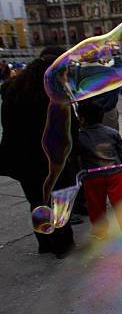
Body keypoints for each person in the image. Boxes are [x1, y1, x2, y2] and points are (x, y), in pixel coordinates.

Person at [0, 47, 78, 258]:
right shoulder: (55, 94)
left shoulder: (11, 89)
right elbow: (68, 129)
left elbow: (7, 125)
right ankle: (62, 245)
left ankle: (44, 242)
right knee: (59, 200)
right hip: (52, 157)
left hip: (23, 159)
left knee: (36, 200)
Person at [77, 101, 122, 240]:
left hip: (92, 177)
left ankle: (100, 232)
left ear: (81, 119)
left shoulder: (79, 137)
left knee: (96, 206)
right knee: (120, 204)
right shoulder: (112, 133)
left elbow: (77, 158)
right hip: (115, 174)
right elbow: (120, 152)